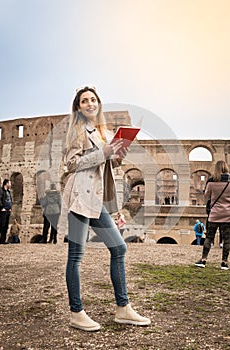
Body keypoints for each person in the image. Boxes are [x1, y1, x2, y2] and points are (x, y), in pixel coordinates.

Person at [63, 86, 151, 331]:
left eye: (93, 99)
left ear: (98, 104)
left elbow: (106, 163)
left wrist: (117, 155)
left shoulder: (103, 132)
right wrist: (103, 153)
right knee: (76, 256)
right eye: (84, 101)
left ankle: (123, 309)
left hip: (96, 200)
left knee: (119, 248)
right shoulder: (77, 131)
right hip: (80, 197)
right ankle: (76, 312)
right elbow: (71, 164)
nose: (90, 104)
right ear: (78, 107)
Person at [195, 160, 230, 270]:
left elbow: (206, 196)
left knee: (209, 238)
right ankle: (224, 262)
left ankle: (203, 260)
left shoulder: (211, 182)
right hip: (227, 214)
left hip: (214, 214)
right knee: (227, 239)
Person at [0, 179, 12, 244]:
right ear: (6, 184)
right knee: (1, 225)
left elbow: (9, 200)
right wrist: (1, 207)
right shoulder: (0, 191)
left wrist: (10, 207)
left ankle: (2, 240)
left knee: (6, 226)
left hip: (7, 210)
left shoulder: (8, 191)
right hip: (2, 210)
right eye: (9, 183)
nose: (10, 185)